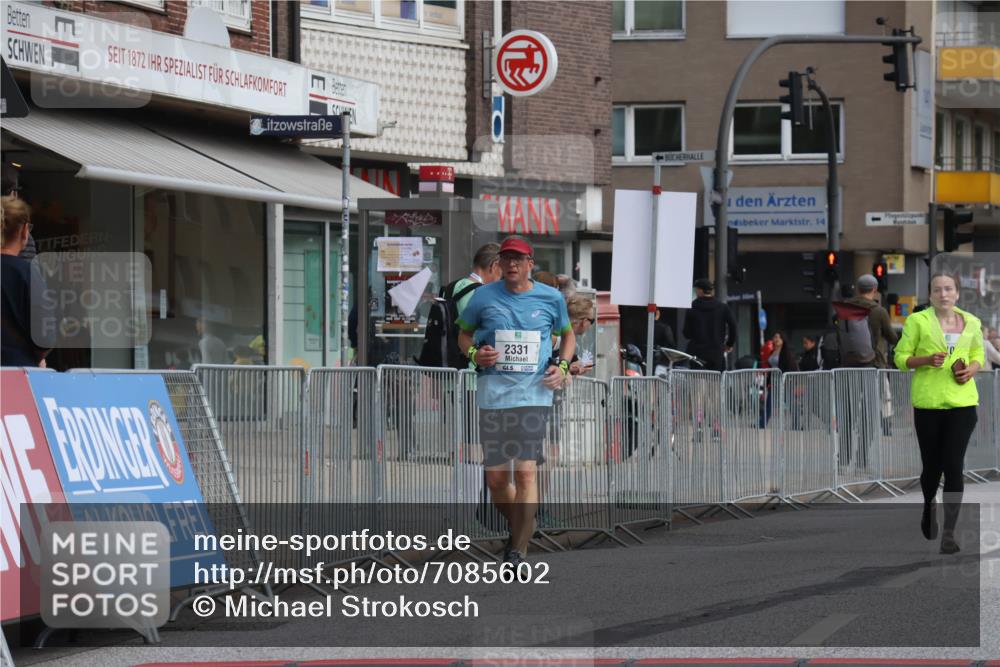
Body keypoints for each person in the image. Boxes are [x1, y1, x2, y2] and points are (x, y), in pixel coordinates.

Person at [457, 235, 575, 566]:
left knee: (525, 473)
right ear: (499, 265)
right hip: (494, 395)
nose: (511, 264)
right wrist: (473, 354)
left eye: (518, 259)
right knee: (496, 480)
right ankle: (525, 525)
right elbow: (463, 334)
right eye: (506, 259)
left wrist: (562, 365)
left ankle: (517, 550)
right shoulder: (483, 296)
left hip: (534, 395)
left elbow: (568, 335)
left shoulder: (550, 298)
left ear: (529, 265)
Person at [894, 272, 983, 555]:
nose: (943, 294)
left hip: (963, 404)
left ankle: (949, 534)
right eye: (937, 290)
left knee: (954, 465)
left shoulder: (971, 322)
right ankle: (929, 503)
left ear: (957, 293)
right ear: (930, 295)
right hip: (929, 404)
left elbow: (978, 353)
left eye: (948, 289)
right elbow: (900, 358)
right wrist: (925, 360)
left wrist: (973, 368)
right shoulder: (917, 321)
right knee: (932, 467)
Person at [1, 196, 51, 367]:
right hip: (16, 372)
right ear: (24, 231)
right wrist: (39, 358)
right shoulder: (28, 273)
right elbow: (43, 337)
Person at [837, 274, 898, 369]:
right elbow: (892, 338)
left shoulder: (845, 308)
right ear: (875, 289)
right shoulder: (879, 311)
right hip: (875, 365)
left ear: (858, 289)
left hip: (849, 366)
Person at [683, 278, 737, 372]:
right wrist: (729, 344)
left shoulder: (692, 307)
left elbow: (686, 333)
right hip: (716, 352)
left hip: (697, 353)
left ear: (700, 290)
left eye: (696, 289)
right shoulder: (722, 307)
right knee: (715, 382)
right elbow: (733, 326)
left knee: (697, 382)